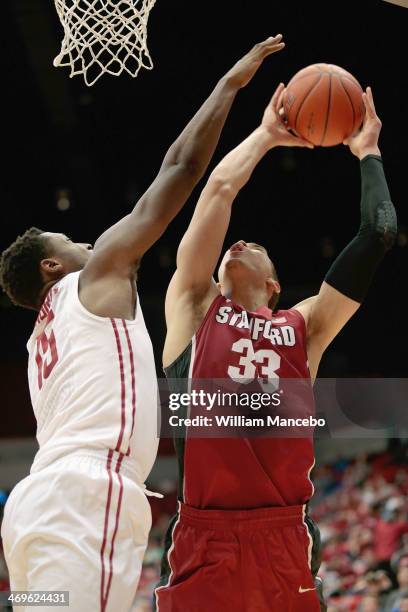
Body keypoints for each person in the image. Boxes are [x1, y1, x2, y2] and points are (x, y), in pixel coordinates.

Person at [0, 35, 286, 612]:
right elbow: (178, 169)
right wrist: (229, 85)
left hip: (45, 504)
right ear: (52, 267)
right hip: (85, 495)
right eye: (72, 242)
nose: (88, 242)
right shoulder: (93, 277)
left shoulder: (40, 341)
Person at [155, 84, 397, 612]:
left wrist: (369, 153)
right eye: (235, 244)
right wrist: (265, 136)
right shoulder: (195, 307)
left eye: (256, 246)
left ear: (274, 286)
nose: (239, 242)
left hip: (283, 534)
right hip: (204, 534)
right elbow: (218, 191)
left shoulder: (305, 326)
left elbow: (378, 233)